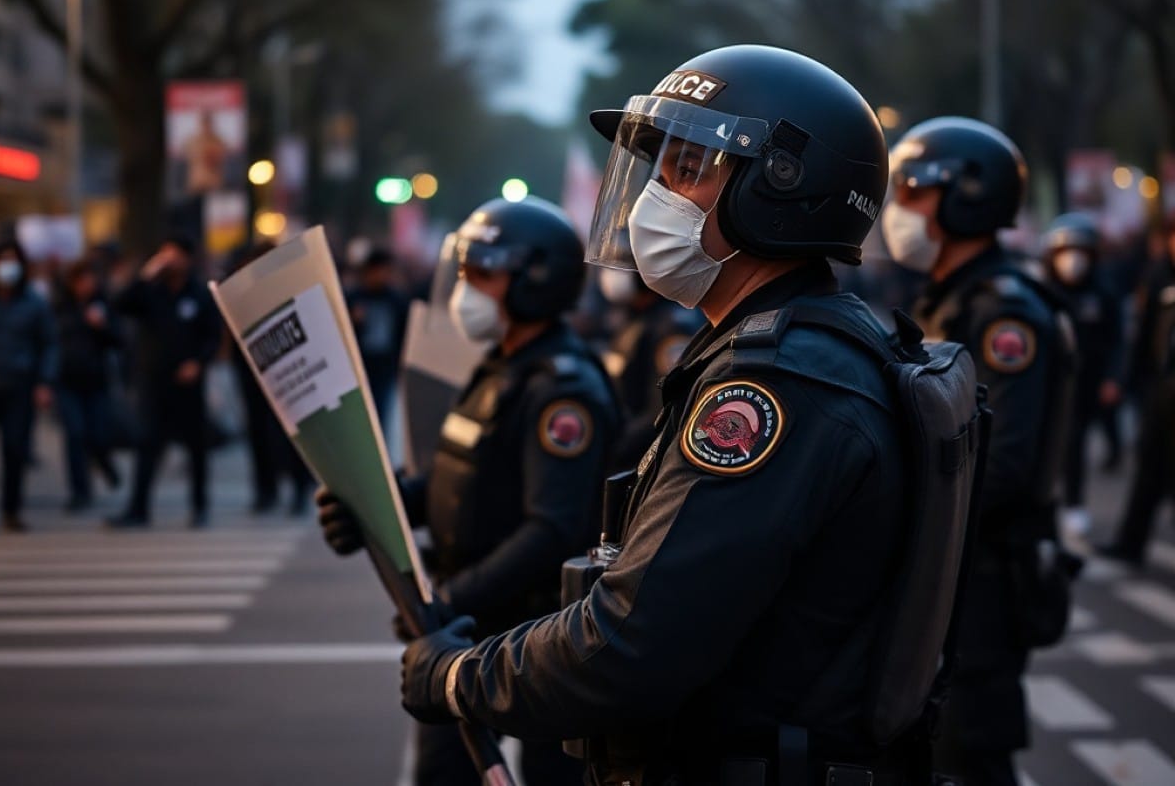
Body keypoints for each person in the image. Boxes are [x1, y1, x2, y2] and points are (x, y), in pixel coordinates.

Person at [387, 46, 970, 785]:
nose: (649, 198)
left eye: (686, 170)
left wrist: (460, 678)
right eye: (656, 169)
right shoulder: (795, 348)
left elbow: (634, 643)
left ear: (777, 188)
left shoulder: (776, 389)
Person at [318, 197, 621, 786]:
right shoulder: (500, 366)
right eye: (463, 271)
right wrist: (379, 507)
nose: (466, 287)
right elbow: (464, 478)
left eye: (483, 273)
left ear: (536, 281)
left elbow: (552, 528)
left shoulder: (563, 390)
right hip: (467, 627)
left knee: (547, 774)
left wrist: (452, 600)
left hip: (532, 636)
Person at [881, 117, 1075, 786]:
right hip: (956, 572)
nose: (897, 209)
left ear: (968, 192)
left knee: (971, 755)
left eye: (912, 189)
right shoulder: (950, 299)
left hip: (986, 577)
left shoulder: (1004, 314)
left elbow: (1004, 466)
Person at [107, 234, 221, 528]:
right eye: (165, 253)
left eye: (175, 254)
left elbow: (213, 335)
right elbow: (119, 303)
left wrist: (199, 362)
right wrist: (145, 275)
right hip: (153, 382)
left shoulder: (199, 293)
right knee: (147, 444)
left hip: (188, 383)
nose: (170, 260)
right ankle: (138, 508)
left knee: (196, 447)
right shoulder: (150, 291)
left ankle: (200, 507)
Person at [1097, 214, 1175, 567]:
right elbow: (1143, 336)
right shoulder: (1158, 275)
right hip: (1161, 389)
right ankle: (1131, 543)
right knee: (1148, 468)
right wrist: (1127, 380)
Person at [1040, 213, 1124, 538]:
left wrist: (1114, 378)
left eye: (1080, 252)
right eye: (1066, 251)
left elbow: (1117, 338)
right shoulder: (1042, 292)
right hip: (1049, 383)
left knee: (1074, 444)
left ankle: (1073, 504)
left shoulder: (1103, 293)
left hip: (1089, 382)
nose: (1073, 260)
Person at [0, 236, 57, 531]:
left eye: (12, 261)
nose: (6, 267)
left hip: (18, 386)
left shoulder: (34, 301)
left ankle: (11, 510)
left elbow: (48, 343)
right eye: (1, 260)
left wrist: (44, 382)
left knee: (14, 449)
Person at [230, 241, 315, 515]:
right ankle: (266, 490)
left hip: (287, 368)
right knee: (258, 433)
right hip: (252, 372)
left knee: (291, 431)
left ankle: (298, 489)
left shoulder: (290, 287)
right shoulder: (241, 292)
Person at [598, 268, 702, 468]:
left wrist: (613, 448)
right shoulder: (640, 315)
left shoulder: (671, 326)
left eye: (626, 266)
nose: (616, 273)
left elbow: (662, 410)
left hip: (642, 455)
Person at [54, 257, 123, 512]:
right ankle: (79, 491)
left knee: (97, 433)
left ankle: (104, 461)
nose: (86, 285)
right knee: (75, 434)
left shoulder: (103, 305)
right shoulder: (59, 307)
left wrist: (101, 326)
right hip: (66, 380)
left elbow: (119, 339)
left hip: (95, 380)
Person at [346, 247, 409, 428]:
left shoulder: (395, 300)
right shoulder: (354, 297)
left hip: (384, 368)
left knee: (379, 415)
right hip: (358, 368)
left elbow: (402, 333)